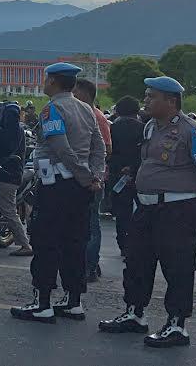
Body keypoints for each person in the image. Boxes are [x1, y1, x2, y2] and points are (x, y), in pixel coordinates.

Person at [99, 76, 196, 347]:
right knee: (136, 261)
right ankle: (135, 313)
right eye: (146, 95)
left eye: (152, 96)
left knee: (178, 267)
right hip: (147, 207)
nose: (146, 100)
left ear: (171, 101)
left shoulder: (193, 131)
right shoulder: (150, 127)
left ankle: (176, 325)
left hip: (178, 209)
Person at [11, 63, 106, 324]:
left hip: (56, 185)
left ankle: (42, 303)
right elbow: (99, 148)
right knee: (75, 242)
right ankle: (73, 300)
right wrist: (94, 176)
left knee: (46, 242)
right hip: (80, 188)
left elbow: (61, 148)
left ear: (52, 81)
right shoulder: (87, 109)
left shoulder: (52, 109)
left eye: (46, 79)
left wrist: (85, 176)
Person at [74, 78, 112, 283]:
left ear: (84, 94)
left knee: (91, 223)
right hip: (79, 178)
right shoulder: (80, 113)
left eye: (75, 92)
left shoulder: (96, 116)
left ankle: (89, 266)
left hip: (93, 179)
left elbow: (106, 148)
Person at [0, 101, 33, 257]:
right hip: (11, 174)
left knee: (9, 210)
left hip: (7, 176)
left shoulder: (8, 132)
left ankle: (25, 244)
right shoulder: (17, 130)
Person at [107, 95, 144, 256]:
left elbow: (109, 152)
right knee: (143, 209)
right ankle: (139, 242)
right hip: (139, 174)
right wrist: (133, 167)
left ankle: (123, 244)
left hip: (117, 174)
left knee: (122, 212)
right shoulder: (143, 128)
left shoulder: (112, 128)